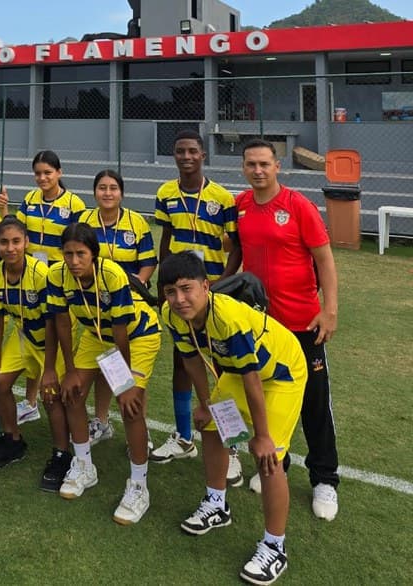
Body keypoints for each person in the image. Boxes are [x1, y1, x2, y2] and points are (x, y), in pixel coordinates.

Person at [160, 251, 306, 586]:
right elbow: (192, 360)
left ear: (206, 286)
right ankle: (216, 503)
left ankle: (275, 546)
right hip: (241, 374)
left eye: (186, 289)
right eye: (171, 292)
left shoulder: (228, 318)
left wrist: (263, 434)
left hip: (281, 375)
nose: (179, 299)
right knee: (212, 426)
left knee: (269, 458)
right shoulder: (171, 315)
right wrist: (205, 403)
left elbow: (253, 379)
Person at [236, 138, 340, 521]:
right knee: (267, 398)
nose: (258, 170)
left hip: (303, 323)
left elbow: (325, 260)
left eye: (265, 164)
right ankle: (278, 463)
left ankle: (325, 478)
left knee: (314, 402)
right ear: (244, 167)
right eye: (251, 164)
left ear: (277, 166)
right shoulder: (241, 206)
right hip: (262, 327)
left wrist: (329, 311)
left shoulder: (298, 206)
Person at [43, 223, 161, 523]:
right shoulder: (56, 275)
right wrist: (68, 370)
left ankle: (138, 485)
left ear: (93, 254)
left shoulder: (112, 274)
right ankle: (84, 465)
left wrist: (123, 384)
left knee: (131, 407)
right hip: (96, 334)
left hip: (137, 335)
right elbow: (61, 323)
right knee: (72, 393)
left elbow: (121, 333)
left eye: (81, 254)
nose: (74, 261)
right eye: (68, 254)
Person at [153, 129, 243, 488]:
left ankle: (232, 448)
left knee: (222, 368)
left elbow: (235, 246)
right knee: (182, 362)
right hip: (180, 294)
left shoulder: (222, 197)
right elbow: (167, 241)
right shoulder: (165, 194)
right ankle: (183, 437)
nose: (186, 156)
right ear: (174, 156)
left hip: (212, 292)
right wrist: (164, 285)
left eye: (192, 151)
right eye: (180, 151)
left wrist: (221, 284)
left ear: (203, 155)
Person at [0, 150, 86, 425]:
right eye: (38, 173)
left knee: (56, 337)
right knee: (30, 333)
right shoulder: (30, 199)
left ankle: (63, 400)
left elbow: (77, 240)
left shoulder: (74, 203)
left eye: (48, 172)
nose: (42, 178)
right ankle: (31, 401)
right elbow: (17, 232)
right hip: (31, 277)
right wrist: (5, 212)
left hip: (60, 279)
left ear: (59, 173)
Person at [0, 216, 69, 489]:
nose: (10, 248)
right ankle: (13, 439)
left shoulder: (41, 274)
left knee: (52, 396)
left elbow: (54, 321)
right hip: (23, 335)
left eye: (16, 241)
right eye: (4, 242)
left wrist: (50, 368)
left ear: (26, 242)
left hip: (52, 339)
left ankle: (62, 455)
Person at [77, 169, 157, 446]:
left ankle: (139, 431)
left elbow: (148, 261)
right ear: (95, 192)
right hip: (96, 305)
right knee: (102, 363)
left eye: (113, 188)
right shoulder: (85, 221)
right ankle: (100, 421)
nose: (107, 193)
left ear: (121, 193)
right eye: (102, 188)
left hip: (129, 305)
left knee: (134, 377)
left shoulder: (137, 223)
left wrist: (138, 282)